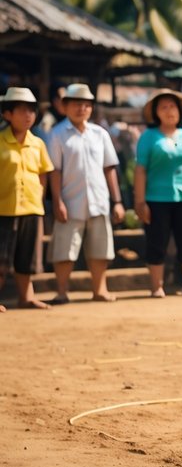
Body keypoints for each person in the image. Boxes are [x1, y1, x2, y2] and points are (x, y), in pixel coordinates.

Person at [47, 83, 123, 304]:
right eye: (76, 104)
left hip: (99, 199)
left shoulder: (100, 134)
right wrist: (57, 201)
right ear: (66, 106)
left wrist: (117, 200)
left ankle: (99, 290)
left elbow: (109, 168)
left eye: (86, 105)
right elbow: (55, 171)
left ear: (91, 108)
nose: (81, 108)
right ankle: (62, 291)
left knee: (101, 248)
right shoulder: (57, 134)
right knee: (64, 249)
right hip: (70, 201)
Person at [135, 89, 182, 298]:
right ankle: (156, 286)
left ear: (180, 111)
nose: (169, 111)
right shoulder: (148, 137)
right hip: (156, 198)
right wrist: (139, 201)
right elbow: (140, 169)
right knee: (156, 240)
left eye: (172, 106)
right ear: (156, 113)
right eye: (164, 107)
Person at [0, 87, 54, 310]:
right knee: (1, 257)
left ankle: (26, 297)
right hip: (4, 207)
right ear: (7, 114)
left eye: (31, 111)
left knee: (26, 256)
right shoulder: (0, 141)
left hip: (31, 207)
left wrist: (39, 197)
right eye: (21, 110)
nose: (28, 115)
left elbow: (43, 173)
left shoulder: (38, 143)